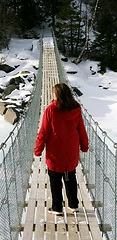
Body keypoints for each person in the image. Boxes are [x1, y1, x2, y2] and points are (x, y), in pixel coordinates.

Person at [34, 83, 88, 215]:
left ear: (56, 95)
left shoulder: (51, 109)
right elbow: (81, 128)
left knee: (55, 179)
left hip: (55, 150)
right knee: (70, 176)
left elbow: (44, 132)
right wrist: (84, 145)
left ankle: (57, 207)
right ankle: (73, 204)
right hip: (71, 149)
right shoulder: (76, 108)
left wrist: (38, 150)